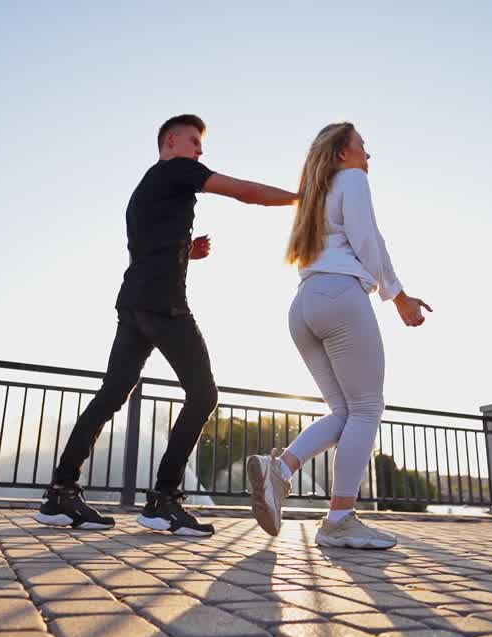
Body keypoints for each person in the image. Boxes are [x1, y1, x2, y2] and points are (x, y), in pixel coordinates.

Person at [35, 114, 297, 537]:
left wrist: (185, 251)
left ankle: (60, 493)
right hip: (163, 303)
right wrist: (301, 198)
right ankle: (164, 500)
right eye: (194, 141)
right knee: (203, 393)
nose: (200, 150)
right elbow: (243, 192)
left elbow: (144, 247)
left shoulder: (144, 189)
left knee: (112, 395)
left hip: (134, 302)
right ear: (171, 141)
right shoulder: (179, 169)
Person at [245, 122, 432, 549]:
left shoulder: (316, 193)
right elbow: (369, 241)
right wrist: (398, 295)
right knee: (368, 408)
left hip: (303, 303)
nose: (369, 155)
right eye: (363, 146)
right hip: (340, 294)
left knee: (346, 412)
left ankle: (281, 470)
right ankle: (340, 519)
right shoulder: (353, 179)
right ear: (342, 154)